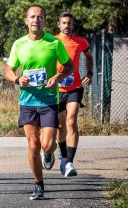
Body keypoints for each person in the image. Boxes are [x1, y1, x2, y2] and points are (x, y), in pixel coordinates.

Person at [4, 4, 74, 200]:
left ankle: (50, 154)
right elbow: (8, 71)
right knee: (33, 145)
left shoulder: (53, 43)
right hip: (27, 101)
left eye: (40, 17)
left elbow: (69, 66)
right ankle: (38, 185)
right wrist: (17, 79)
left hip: (49, 100)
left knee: (47, 144)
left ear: (44, 20)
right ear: (26, 21)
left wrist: (57, 78)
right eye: (32, 17)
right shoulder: (18, 44)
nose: (36, 20)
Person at [55, 12, 93, 177]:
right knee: (61, 126)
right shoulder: (52, 41)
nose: (67, 26)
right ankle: (63, 156)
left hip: (75, 87)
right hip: (56, 89)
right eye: (64, 23)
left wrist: (89, 73)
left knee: (71, 121)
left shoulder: (80, 41)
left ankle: (69, 162)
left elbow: (89, 57)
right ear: (59, 24)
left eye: (69, 23)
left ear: (73, 25)